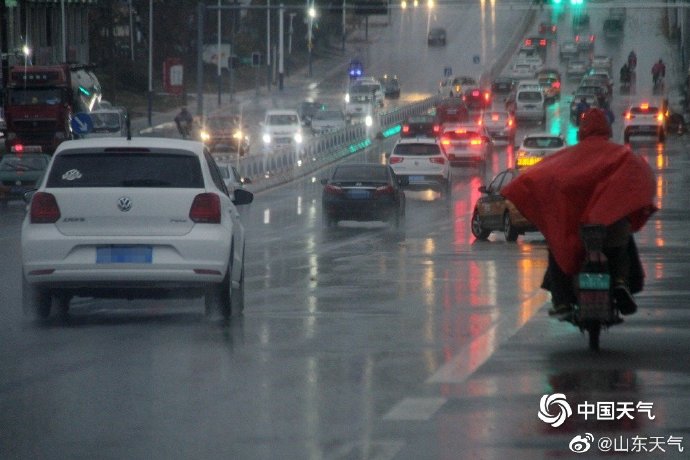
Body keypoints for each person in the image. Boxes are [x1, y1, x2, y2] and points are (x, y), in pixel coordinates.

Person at [501, 108, 657, 318]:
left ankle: (562, 301)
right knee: (622, 246)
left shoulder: (570, 158)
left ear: (582, 131)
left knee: (557, 252)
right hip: (611, 231)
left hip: (576, 234)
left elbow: (547, 177)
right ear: (607, 129)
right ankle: (621, 282)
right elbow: (638, 175)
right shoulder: (620, 155)